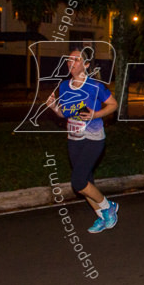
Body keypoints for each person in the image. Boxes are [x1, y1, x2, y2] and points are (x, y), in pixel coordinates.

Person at [46, 47, 119, 232]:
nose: (71, 63)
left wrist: (96, 114)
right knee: (86, 182)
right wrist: (55, 108)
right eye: (69, 60)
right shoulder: (64, 86)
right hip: (74, 138)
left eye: (76, 60)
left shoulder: (94, 86)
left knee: (78, 182)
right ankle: (102, 217)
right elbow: (66, 113)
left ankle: (108, 207)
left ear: (86, 65)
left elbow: (113, 105)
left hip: (93, 138)